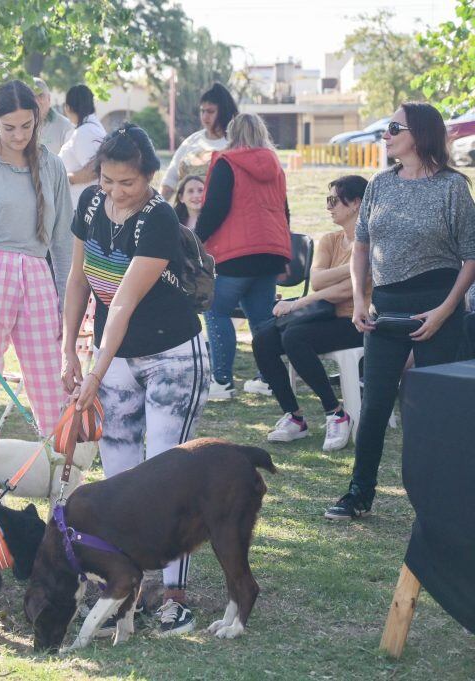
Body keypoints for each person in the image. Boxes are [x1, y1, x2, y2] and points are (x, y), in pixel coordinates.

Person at [64, 124, 209, 635]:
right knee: (121, 477)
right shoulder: (87, 205)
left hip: (172, 356)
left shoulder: (159, 219)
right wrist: (70, 354)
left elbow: (123, 301)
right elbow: (79, 281)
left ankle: (172, 594)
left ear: (149, 177)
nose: (115, 191)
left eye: (127, 182)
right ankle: (123, 589)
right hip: (114, 356)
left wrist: (94, 369)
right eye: (107, 179)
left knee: (168, 471)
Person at [325, 103, 475, 521]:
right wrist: (358, 302)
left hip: (437, 308)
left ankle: (441, 498)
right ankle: (359, 494)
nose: (385, 135)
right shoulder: (380, 184)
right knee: (373, 406)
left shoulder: (452, 188)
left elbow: (471, 257)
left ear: (420, 134)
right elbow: (361, 247)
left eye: (393, 127)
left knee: (434, 406)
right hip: (384, 310)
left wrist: (445, 311)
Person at [0, 80, 73, 438]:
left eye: (27, 125)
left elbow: (65, 242)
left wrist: (68, 306)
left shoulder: (52, 166)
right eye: (9, 128)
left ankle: (59, 469)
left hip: (38, 274)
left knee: (51, 379)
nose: (19, 135)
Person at [252, 175, 371, 451]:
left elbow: (347, 292)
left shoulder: (373, 243)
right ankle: (294, 417)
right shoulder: (330, 240)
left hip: (355, 321)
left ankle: (335, 412)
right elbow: (318, 280)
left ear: (355, 203)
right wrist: (355, 265)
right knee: (263, 338)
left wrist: (297, 304)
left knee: (295, 337)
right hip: (324, 316)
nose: (328, 207)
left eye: (333, 200)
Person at [196, 113, 291, 400]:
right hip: (270, 251)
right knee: (262, 319)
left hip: (236, 253)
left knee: (216, 310)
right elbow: (284, 210)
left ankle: (222, 381)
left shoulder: (227, 163)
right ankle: (267, 378)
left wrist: (195, 240)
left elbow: (215, 208)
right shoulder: (276, 166)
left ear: (232, 134)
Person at [160, 83, 239, 200]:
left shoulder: (237, 144)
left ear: (224, 112)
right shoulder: (191, 142)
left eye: (210, 111)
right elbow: (170, 181)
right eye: (202, 111)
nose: (205, 116)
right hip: (186, 217)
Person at [58, 84, 107, 207]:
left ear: (67, 108)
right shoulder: (91, 128)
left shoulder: (85, 132)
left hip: (83, 206)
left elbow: (94, 171)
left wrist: (62, 179)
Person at [32, 77, 74, 155]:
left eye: (41, 96)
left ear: (49, 98)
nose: (36, 101)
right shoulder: (19, 125)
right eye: (32, 96)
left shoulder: (65, 126)